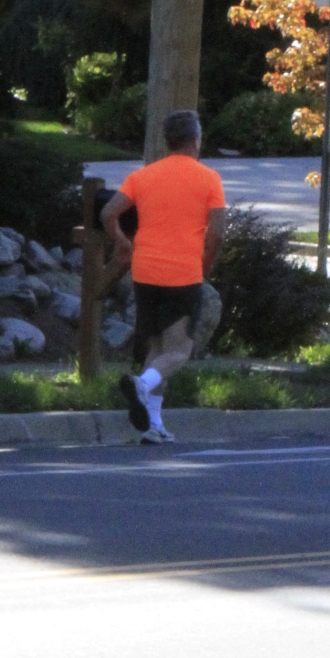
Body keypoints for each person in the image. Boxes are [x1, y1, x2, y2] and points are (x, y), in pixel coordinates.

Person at [101, 108, 226, 443]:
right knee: (179, 351)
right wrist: (206, 264)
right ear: (196, 140)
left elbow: (109, 213)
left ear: (167, 141)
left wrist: (122, 243)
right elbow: (217, 234)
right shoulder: (209, 179)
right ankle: (141, 384)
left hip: (145, 271)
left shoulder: (142, 177)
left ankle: (153, 426)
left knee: (157, 349)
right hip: (182, 273)